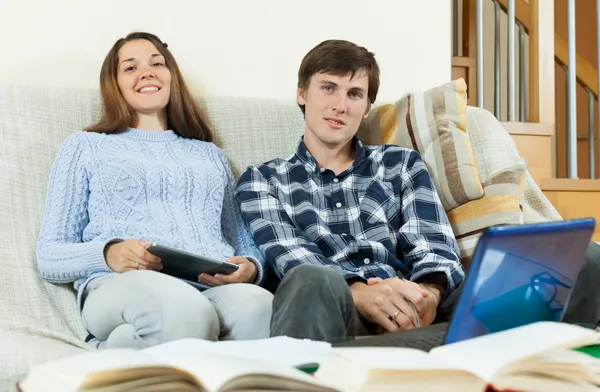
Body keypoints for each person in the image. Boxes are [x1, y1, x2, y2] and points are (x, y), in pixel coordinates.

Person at [36, 32, 273, 349]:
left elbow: (245, 244)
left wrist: (250, 269)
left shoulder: (210, 156)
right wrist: (108, 254)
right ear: (114, 84)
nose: (146, 72)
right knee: (183, 312)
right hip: (119, 284)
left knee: (262, 309)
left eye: (156, 63)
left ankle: (117, 349)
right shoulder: (85, 146)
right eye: (130, 68)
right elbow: (49, 256)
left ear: (171, 77)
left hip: (207, 288)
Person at [236, 39, 465, 344]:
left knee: (506, 284)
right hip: (333, 312)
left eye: (354, 94)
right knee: (308, 279)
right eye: (328, 88)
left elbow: (433, 244)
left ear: (367, 105)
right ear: (302, 93)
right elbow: (292, 258)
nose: (340, 106)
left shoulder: (401, 163)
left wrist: (428, 297)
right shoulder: (262, 180)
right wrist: (361, 294)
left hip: (412, 309)